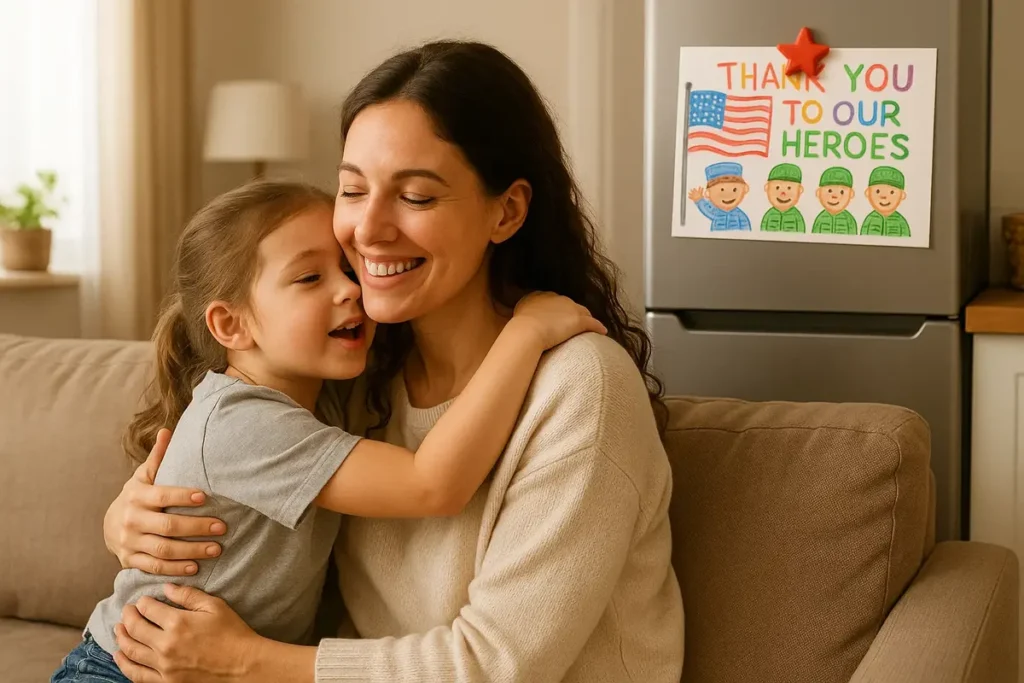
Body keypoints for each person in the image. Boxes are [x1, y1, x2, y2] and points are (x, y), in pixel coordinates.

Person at [100, 40, 685, 683]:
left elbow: (493, 666)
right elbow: (255, 528)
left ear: (507, 211)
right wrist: (131, 522)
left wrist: (245, 660)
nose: (368, 229)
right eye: (352, 190)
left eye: (416, 196)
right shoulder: (354, 374)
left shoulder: (582, 388)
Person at [52, 180, 604, 683]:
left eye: (347, 269)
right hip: (128, 668)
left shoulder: (333, 392)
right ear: (231, 325)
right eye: (310, 277)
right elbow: (430, 485)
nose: (348, 290)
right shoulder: (246, 422)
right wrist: (525, 334)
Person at [688, 161, 752, 231]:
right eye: (722, 190)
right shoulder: (715, 213)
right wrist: (699, 200)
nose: (727, 195)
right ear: (708, 193)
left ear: (745, 189)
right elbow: (707, 210)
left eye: (734, 190)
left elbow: (746, 228)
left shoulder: (740, 215)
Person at [861, 166, 910, 237]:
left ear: (902, 195)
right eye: (877, 191)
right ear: (868, 192)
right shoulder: (870, 219)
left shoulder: (901, 222)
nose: (884, 197)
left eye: (892, 192)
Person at [760, 162, 806, 233]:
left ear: (800, 190)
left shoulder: (797, 216)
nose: (783, 194)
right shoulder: (769, 215)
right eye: (777, 187)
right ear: (767, 187)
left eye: (789, 188)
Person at [811, 166, 858, 235]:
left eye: (842, 192)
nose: (834, 196)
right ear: (818, 192)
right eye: (829, 191)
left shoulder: (849, 220)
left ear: (851, 194)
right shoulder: (820, 218)